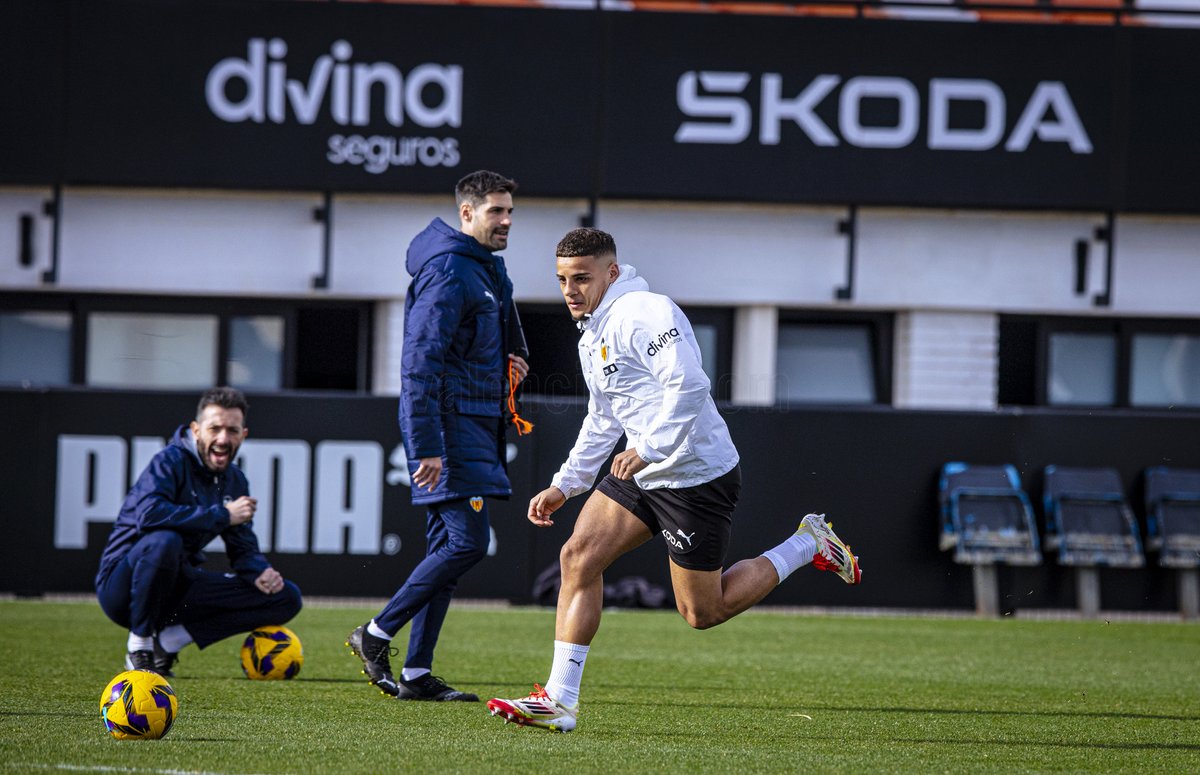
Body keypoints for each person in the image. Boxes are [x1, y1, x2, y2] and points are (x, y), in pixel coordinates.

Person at [486, 228, 863, 732]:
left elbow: (688, 385)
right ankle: (559, 700)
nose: (570, 290)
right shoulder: (594, 332)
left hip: (695, 475)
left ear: (612, 273)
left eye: (581, 277)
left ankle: (805, 542)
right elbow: (603, 420)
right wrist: (565, 485)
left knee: (703, 612)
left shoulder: (647, 311)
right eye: (561, 280)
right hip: (643, 470)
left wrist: (650, 448)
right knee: (578, 556)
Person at [347, 170, 529, 702]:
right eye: (497, 211)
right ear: (467, 213)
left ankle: (416, 673)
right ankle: (377, 634)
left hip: (474, 423)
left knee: (448, 549)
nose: (507, 221)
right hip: (450, 431)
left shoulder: (487, 269)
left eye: (511, 211)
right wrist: (423, 445)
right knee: (468, 543)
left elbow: (505, 343)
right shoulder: (449, 270)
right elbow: (418, 364)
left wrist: (515, 362)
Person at [95, 387, 302, 676]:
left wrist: (259, 571)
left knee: (286, 597)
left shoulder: (235, 480)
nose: (222, 438)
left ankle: (166, 644)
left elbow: (242, 546)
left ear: (243, 435)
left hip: (176, 588)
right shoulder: (170, 461)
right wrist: (222, 515)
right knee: (164, 541)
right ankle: (139, 646)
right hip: (122, 591)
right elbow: (149, 516)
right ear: (195, 430)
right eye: (214, 428)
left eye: (232, 430)